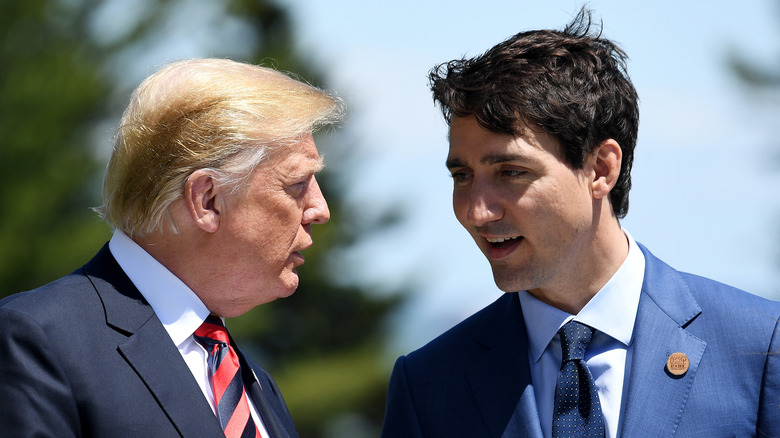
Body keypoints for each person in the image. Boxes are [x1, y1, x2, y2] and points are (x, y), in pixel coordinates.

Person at [381, 9, 780, 438]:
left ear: (600, 169)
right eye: (462, 176)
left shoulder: (760, 348)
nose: (477, 212)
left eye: (511, 172)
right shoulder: (427, 384)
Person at [0, 58, 343, 437]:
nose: (320, 209)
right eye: (297, 184)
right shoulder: (35, 341)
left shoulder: (252, 383)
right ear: (207, 200)